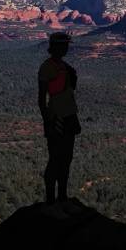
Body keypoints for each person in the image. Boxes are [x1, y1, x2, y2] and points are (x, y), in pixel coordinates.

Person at [38, 31, 81, 204]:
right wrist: (47, 122)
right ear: (54, 47)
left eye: (66, 45)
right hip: (57, 118)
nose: (65, 48)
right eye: (62, 45)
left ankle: (62, 198)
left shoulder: (65, 67)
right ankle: (50, 202)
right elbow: (41, 99)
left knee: (67, 159)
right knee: (55, 159)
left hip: (69, 115)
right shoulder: (47, 67)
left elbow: (70, 93)